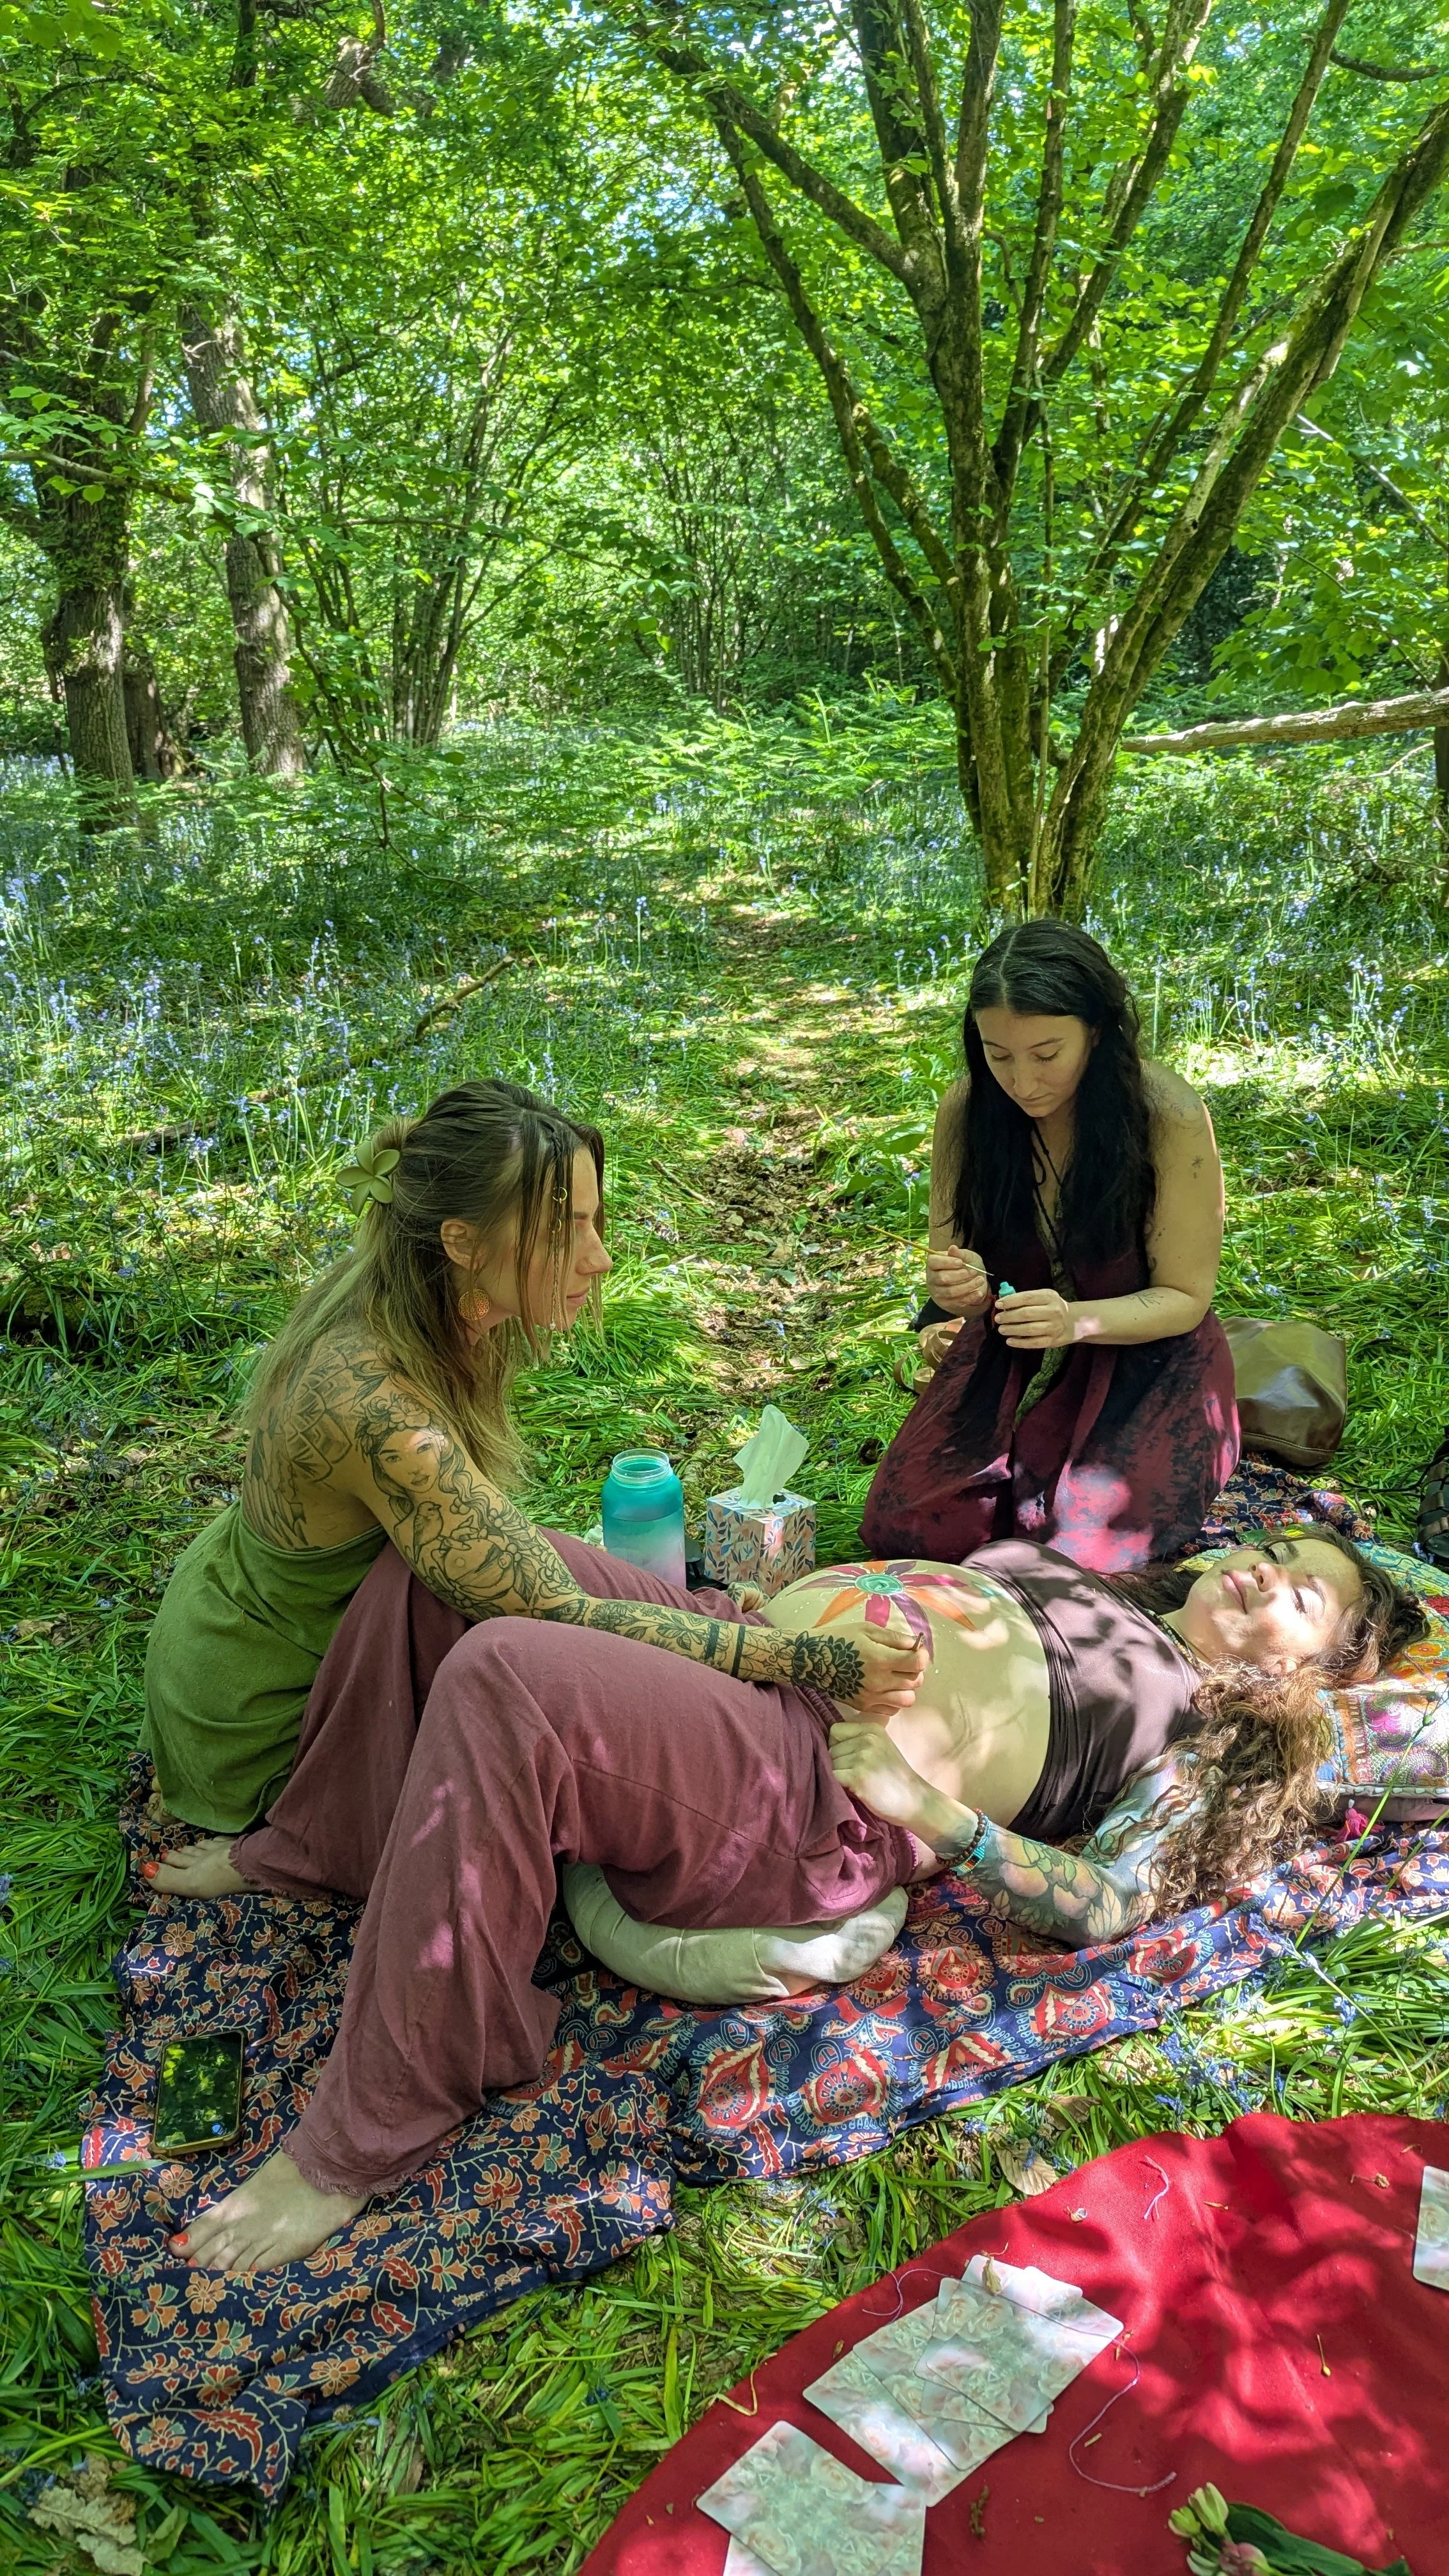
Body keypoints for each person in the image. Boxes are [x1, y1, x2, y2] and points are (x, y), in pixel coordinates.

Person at [153, 1522, 1423, 2276]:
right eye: (1266, 1548)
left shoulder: (1212, 1729)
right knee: (458, 1565)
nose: (1260, 1572)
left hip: (800, 1789)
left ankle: (374, 2123)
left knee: (508, 1675)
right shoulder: (1107, 1593)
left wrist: (940, 1817)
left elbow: (1111, 1903)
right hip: (751, 1651)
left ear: (1327, 1671)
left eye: (1300, 1590)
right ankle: (332, 1844)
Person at [142, 1076, 925, 1838]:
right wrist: (808, 1659)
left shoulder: (419, 1300)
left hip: (305, 1622)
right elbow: (556, 1614)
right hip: (263, 1713)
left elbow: (520, 1565)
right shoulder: (379, 1411)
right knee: (553, 1745)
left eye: (594, 1222)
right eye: (566, 1231)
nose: (600, 1258)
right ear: (462, 1241)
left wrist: (705, 1620)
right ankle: (295, 1844)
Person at [860, 919, 1239, 1571]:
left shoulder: (1166, 1115)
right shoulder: (967, 1109)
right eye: (997, 1055)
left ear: (1097, 1029)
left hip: (1145, 1353)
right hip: (1016, 1344)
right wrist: (958, 1299)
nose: (1022, 1081)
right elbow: (951, 1274)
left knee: (1077, 1553)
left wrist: (1075, 1321)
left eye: (1046, 1053)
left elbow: (1184, 1297)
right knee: (910, 1526)